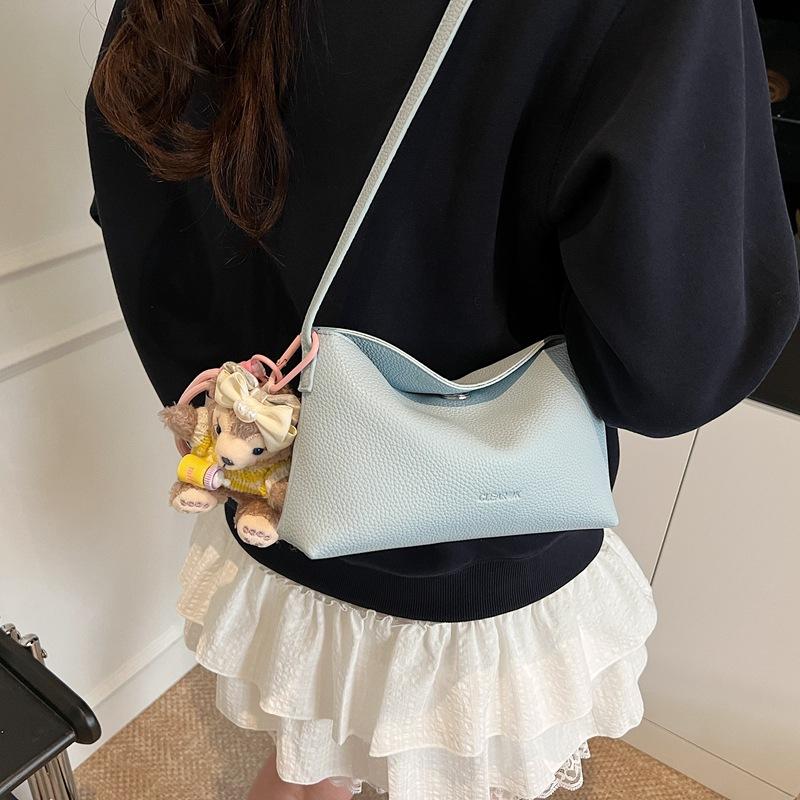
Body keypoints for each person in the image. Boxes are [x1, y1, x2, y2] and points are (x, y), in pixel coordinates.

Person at [85, 0, 800, 798]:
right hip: (479, 545)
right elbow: (676, 372)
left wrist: (226, 401)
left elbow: (137, 196)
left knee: (307, 769)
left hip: (274, 490)